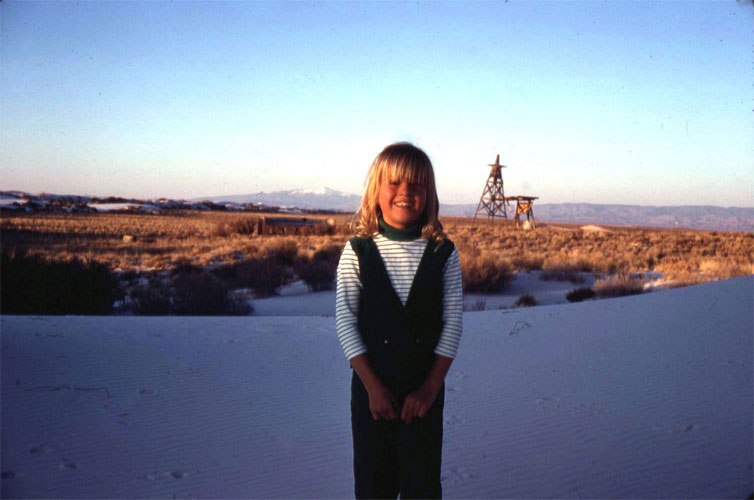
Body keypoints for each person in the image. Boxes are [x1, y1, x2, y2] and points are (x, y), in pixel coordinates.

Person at [335, 142, 463, 499]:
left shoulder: (444, 253)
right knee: (374, 485)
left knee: (422, 485)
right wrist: (372, 388)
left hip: (423, 397)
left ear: (429, 194)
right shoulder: (358, 249)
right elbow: (345, 323)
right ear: (376, 190)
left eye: (417, 185)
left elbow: (452, 325)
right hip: (371, 396)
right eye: (394, 183)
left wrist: (430, 388)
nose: (405, 192)